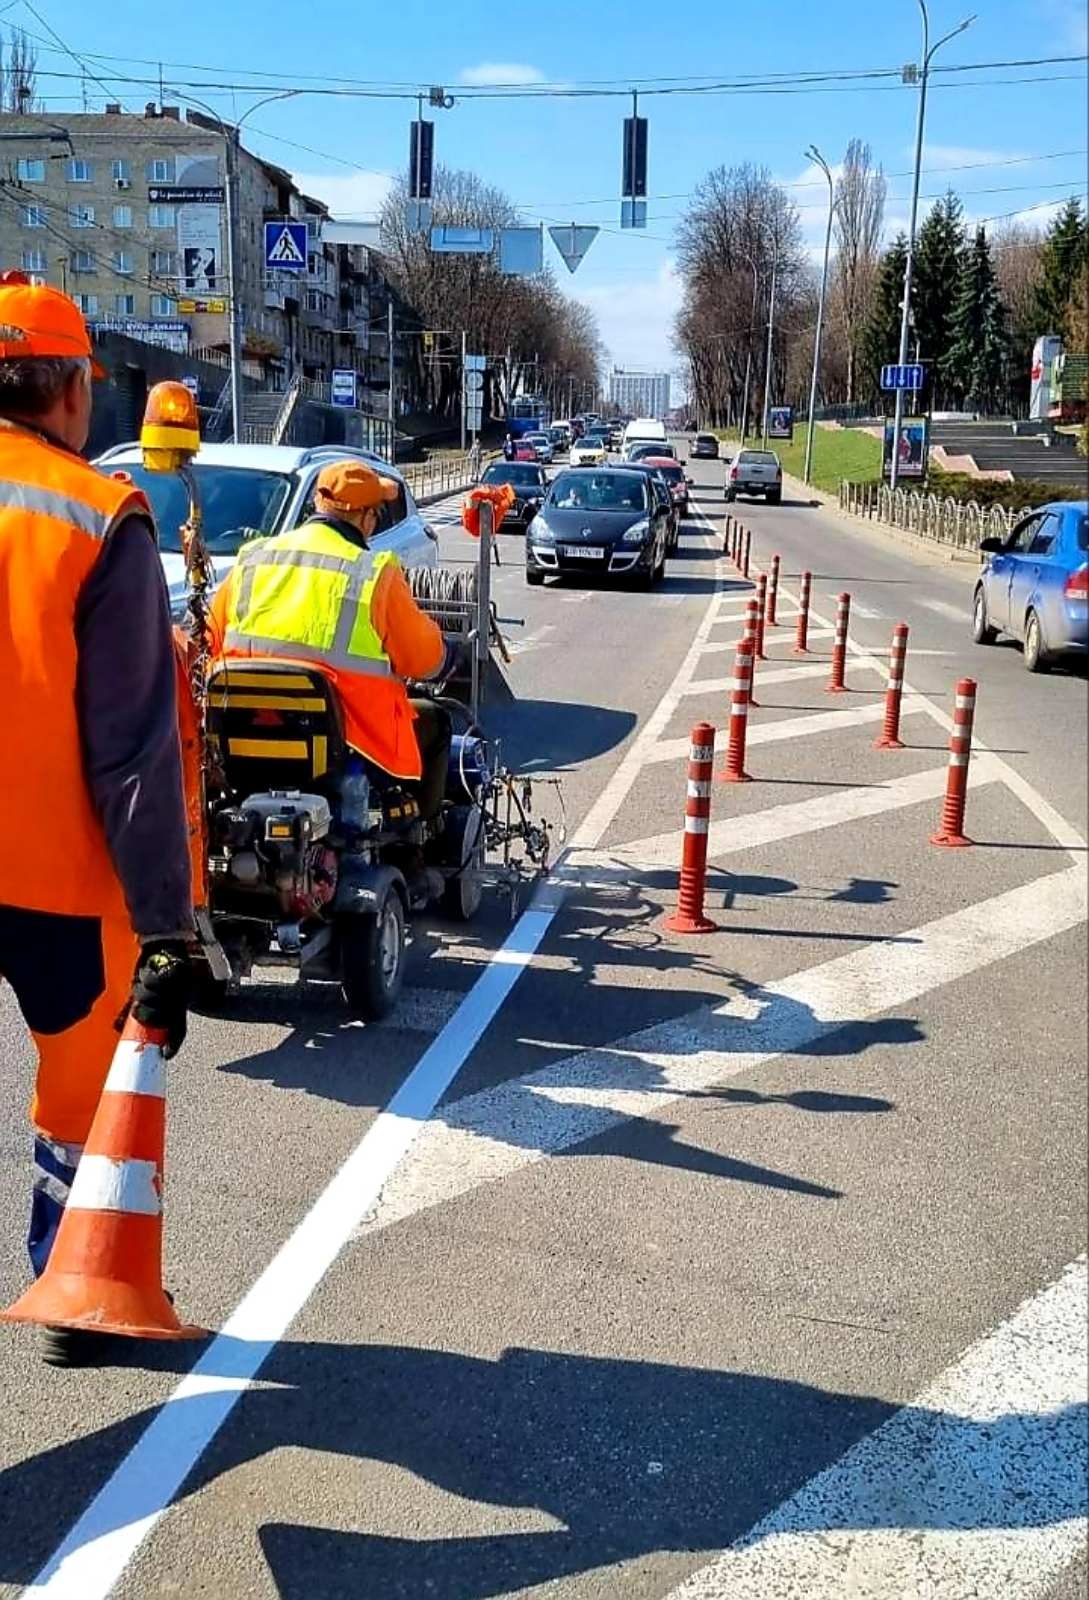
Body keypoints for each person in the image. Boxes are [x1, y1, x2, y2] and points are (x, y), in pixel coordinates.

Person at [0, 277, 194, 1358]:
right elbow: (131, 750)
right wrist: (167, 923)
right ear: (75, 390)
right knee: (79, 1075)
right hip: (56, 879)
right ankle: (69, 1288)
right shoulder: (97, 516)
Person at [209, 459, 456, 823]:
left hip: (244, 742)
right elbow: (424, 661)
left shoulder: (253, 560)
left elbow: (210, 644)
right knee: (438, 723)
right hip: (350, 744)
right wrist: (448, 655)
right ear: (365, 518)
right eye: (375, 514)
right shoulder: (372, 573)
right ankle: (415, 843)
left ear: (318, 504)